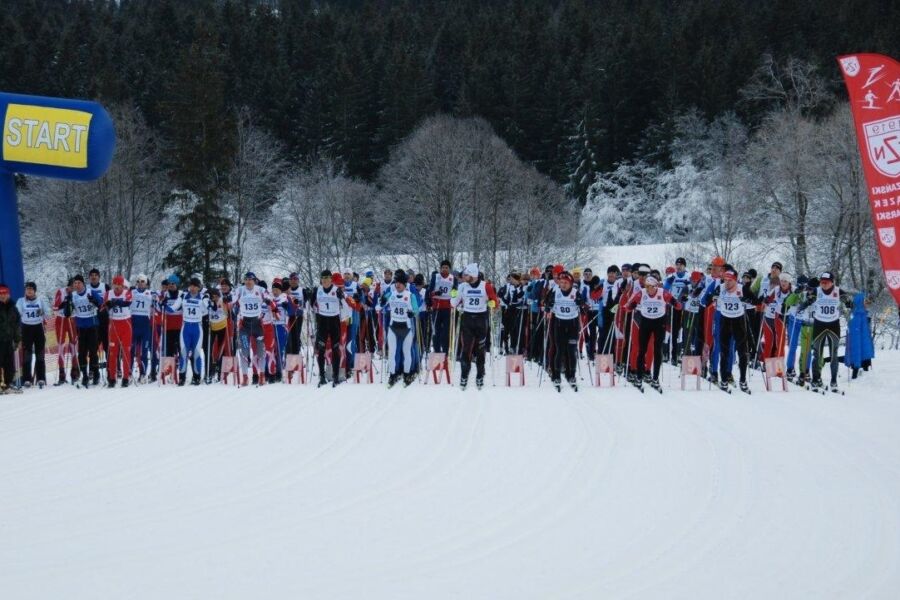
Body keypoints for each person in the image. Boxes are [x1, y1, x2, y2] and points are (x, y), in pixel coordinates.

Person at [801, 272, 854, 391]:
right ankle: (816, 379)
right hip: (819, 324)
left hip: (834, 325)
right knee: (817, 353)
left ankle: (834, 381)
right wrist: (803, 305)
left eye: (826, 281)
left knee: (834, 354)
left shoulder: (838, 291)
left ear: (832, 282)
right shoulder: (817, 291)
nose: (824, 284)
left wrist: (850, 304)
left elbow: (848, 301)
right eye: (822, 281)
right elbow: (809, 300)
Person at [625, 275, 681, 389]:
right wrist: (628, 307)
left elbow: (676, 304)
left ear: (655, 286)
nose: (648, 289)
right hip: (645, 322)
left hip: (659, 323)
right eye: (646, 286)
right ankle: (639, 378)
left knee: (657, 349)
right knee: (642, 350)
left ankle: (655, 378)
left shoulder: (662, 292)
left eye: (650, 287)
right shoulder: (642, 293)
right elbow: (631, 304)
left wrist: (677, 304)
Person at [450, 263, 498, 390]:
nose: (464, 276)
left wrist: (492, 303)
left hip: (481, 320)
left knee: (480, 350)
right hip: (467, 320)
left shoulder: (486, 286)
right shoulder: (462, 286)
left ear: (473, 275)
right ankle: (464, 375)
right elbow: (453, 304)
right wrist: (454, 295)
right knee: (466, 350)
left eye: (466, 274)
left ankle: (480, 375)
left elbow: (495, 301)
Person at [705, 267, 751, 392]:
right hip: (720, 316)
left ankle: (728, 374)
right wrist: (711, 298)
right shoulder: (717, 284)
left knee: (732, 347)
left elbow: (751, 300)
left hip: (734, 318)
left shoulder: (739, 287)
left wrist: (747, 301)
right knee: (718, 346)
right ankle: (715, 372)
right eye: (723, 274)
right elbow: (705, 300)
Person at [543, 270, 585, 390]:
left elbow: (584, 309)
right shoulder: (555, 291)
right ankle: (556, 376)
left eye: (566, 282)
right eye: (561, 282)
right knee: (559, 350)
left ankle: (571, 375)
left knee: (572, 351)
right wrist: (548, 306)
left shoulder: (576, 292)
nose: (563, 284)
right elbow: (546, 305)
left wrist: (581, 304)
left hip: (572, 325)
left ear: (571, 283)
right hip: (559, 324)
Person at [379, 270, 422, 387]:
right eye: (396, 283)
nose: (397, 285)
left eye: (400, 283)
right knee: (392, 353)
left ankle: (407, 374)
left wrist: (412, 314)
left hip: (406, 328)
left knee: (406, 352)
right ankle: (393, 375)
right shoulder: (391, 294)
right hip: (393, 328)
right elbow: (379, 306)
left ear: (405, 284)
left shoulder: (410, 295)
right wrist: (382, 301)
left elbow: (416, 310)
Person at [65, 274, 103, 387]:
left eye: (79, 283)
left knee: (93, 351)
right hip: (81, 327)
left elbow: (101, 304)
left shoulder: (90, 292)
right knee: (81, 353)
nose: (76, 285)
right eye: (75, 283)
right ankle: (85, 375)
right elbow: (68, 313)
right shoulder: (73, 295)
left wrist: (93, 301)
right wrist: (68, 302)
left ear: (83, 283)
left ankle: (95, 373)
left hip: (92, 324)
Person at [169, 277, 206, 385]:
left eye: (195, 286)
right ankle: (182, 377)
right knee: (183, 352)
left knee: (197, 353)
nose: (193, 288)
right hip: (186, 328)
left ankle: (197, 377)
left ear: (199, 287)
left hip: (197, 328)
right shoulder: (184, 295)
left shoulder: (203, 297)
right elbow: (174, 307)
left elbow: (206, 310)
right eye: (191, 286)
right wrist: (165, 306)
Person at [234, 272, 268, 387]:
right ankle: (245, 377)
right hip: (245, 325)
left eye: (250, 279)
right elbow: (232, 299)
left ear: (254, 281)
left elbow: (269, 297)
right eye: (246, 279)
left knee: (260, 352)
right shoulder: (240, 290)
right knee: (244, 352)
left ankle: (262, 376)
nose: (248, 281)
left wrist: (270, 302)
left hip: (258, 324)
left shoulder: (260, 289)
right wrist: (229, 300)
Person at [312, 270, 345, 387]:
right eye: (323, 278)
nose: (325, 280)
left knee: (336, 349)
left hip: (334, 321)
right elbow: (311, 305)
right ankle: (322, 375)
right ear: (321, 279)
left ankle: (336, 376)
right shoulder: (318, 290)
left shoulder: (336, 290)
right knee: (321, 349)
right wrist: (308, 297)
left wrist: (342, 298)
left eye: (327, 278)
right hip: (322, 321)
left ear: (331, 279)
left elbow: (345, 305)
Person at [16, 281, 51, 388]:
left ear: (34, 291)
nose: (29, 291)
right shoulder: (21, 301)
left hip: (38, 328)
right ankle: (27, 379)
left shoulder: (40, 300)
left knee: (40, 354)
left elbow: (48, 314)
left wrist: (43, 313)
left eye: (31, 289)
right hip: (26, 328)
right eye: (27, 289)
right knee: (27, 354)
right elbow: (17, 312)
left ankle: (41, 378)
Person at [104, 275, 133, 387]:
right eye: (115, 285)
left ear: (122, 285)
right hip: (113, 324)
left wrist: (115, 302)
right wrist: (107, 305)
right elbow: (104, 305)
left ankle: (125, 378)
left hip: (125, 324)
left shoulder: (127, 292)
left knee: (126, 351)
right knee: (112, 353)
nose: (117, 287)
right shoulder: (108, 293)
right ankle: (112, 378)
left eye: (119, 285)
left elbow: (127, 302)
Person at [52, 279, 78, 385]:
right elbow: (55, 306)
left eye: (74, 287)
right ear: (68, 286)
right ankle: (62, 374)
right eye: (71, 287)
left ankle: (75, 372)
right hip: (61, 319)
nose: (72, 289)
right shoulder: (61, 291)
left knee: (74, 345)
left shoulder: (77, 293)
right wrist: (63, 304)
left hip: (73, 319)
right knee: (61, 346)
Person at [427, 260, 456, 354]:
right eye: (443, 267)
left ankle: (446, 352)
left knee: (446, 332)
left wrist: (453, 296)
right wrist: (435, 293)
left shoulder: (453, 278)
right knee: (436, 331)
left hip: (447, 308)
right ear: (440, 268)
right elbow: (429, 292)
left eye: (446, 267)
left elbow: (455, 293)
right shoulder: (435, 277)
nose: (444, 269)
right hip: (437, 307)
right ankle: (436, 351)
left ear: (449, 269)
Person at [0, 284, 23, 393]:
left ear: (8, 294)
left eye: (4, 293)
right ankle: (1, 384)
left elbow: (17, 325)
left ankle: (8, 384)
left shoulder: (13, 308)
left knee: (9, 363)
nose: (3, 296)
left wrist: (18, 340)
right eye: (1, 294)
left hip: (9, 340)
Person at [87, 268, 110, 365]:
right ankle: (93, 368)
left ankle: (111, 366)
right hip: (92, 319)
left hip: (104, 319)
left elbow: (110, 300)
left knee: (107, 344)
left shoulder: (105, 286)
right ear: (89, 277)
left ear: (99, 277)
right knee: (93, 346)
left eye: (95, 275)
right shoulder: (86, 288)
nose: (93, 277)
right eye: (92, 275)